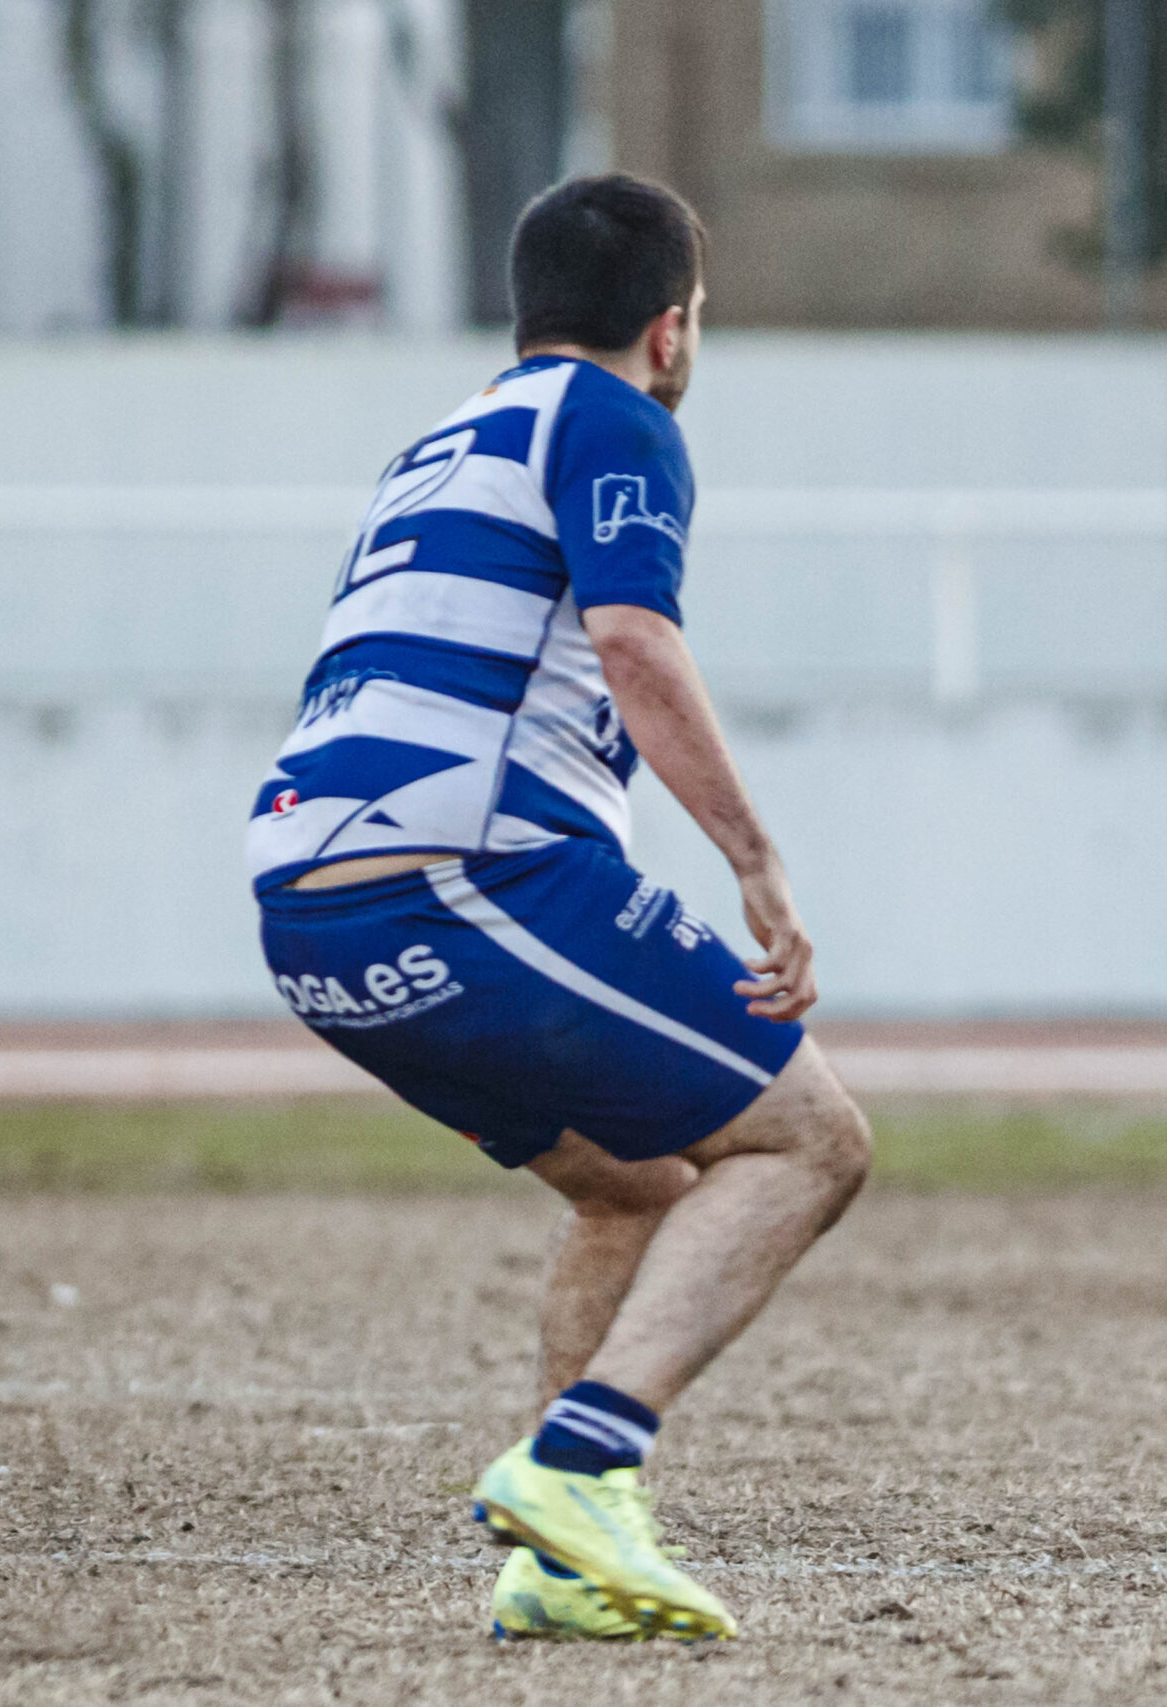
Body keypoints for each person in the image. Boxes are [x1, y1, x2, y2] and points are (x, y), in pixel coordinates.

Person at [248, 173, 871, 1638]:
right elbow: (637, 643)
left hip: (306, 907)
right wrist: (757, 860)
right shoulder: (612, 419)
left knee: (635, 1185)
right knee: (811, 1142)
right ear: (670, 329)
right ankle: (586, 1465)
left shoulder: (440, 443)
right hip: (456, 870)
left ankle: (556, 1559)